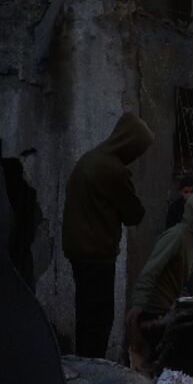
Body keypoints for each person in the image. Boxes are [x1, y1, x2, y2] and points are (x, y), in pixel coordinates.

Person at [62, 111, 153, 359]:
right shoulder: (113, 169)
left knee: (86, 317)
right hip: (97, 255)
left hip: (80, 252)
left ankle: (85, 365)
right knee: (100, 320)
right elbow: (134, 214)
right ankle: (94, 369)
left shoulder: (90, 158)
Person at [129, 191, 193, 353]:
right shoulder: (176, 236)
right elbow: (151, 270)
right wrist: (138, 305)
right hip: (155, 314)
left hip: (171, 312)